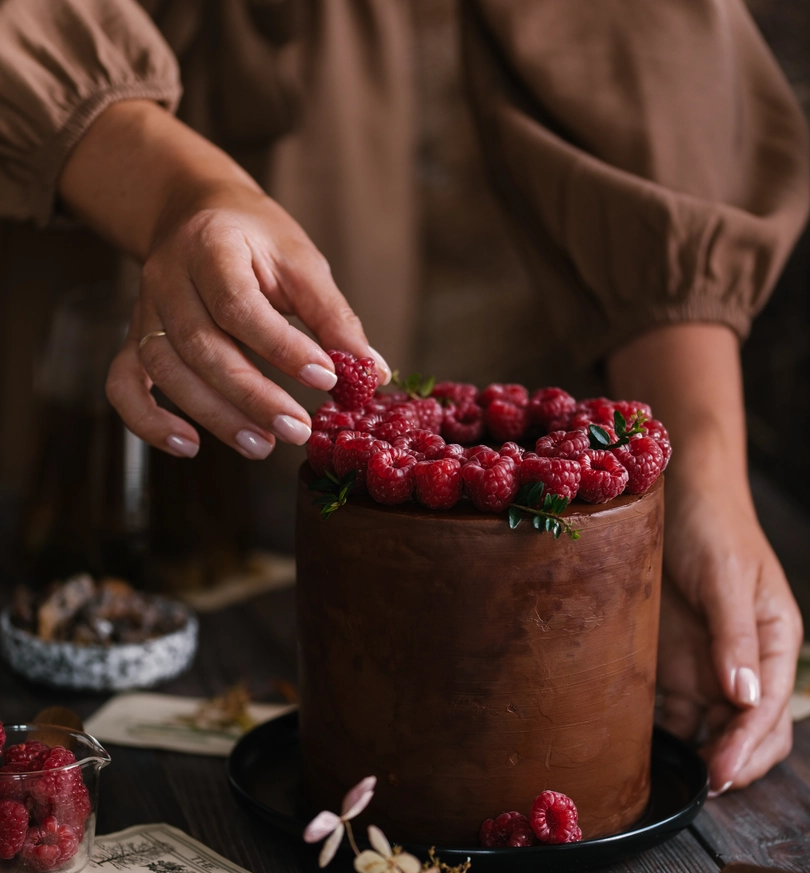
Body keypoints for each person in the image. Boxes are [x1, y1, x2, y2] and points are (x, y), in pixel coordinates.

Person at [0, 0, 807, 797]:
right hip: (137, 221)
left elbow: (648, 45)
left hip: (549, 327)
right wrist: (176, 190)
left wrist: (701, 474)